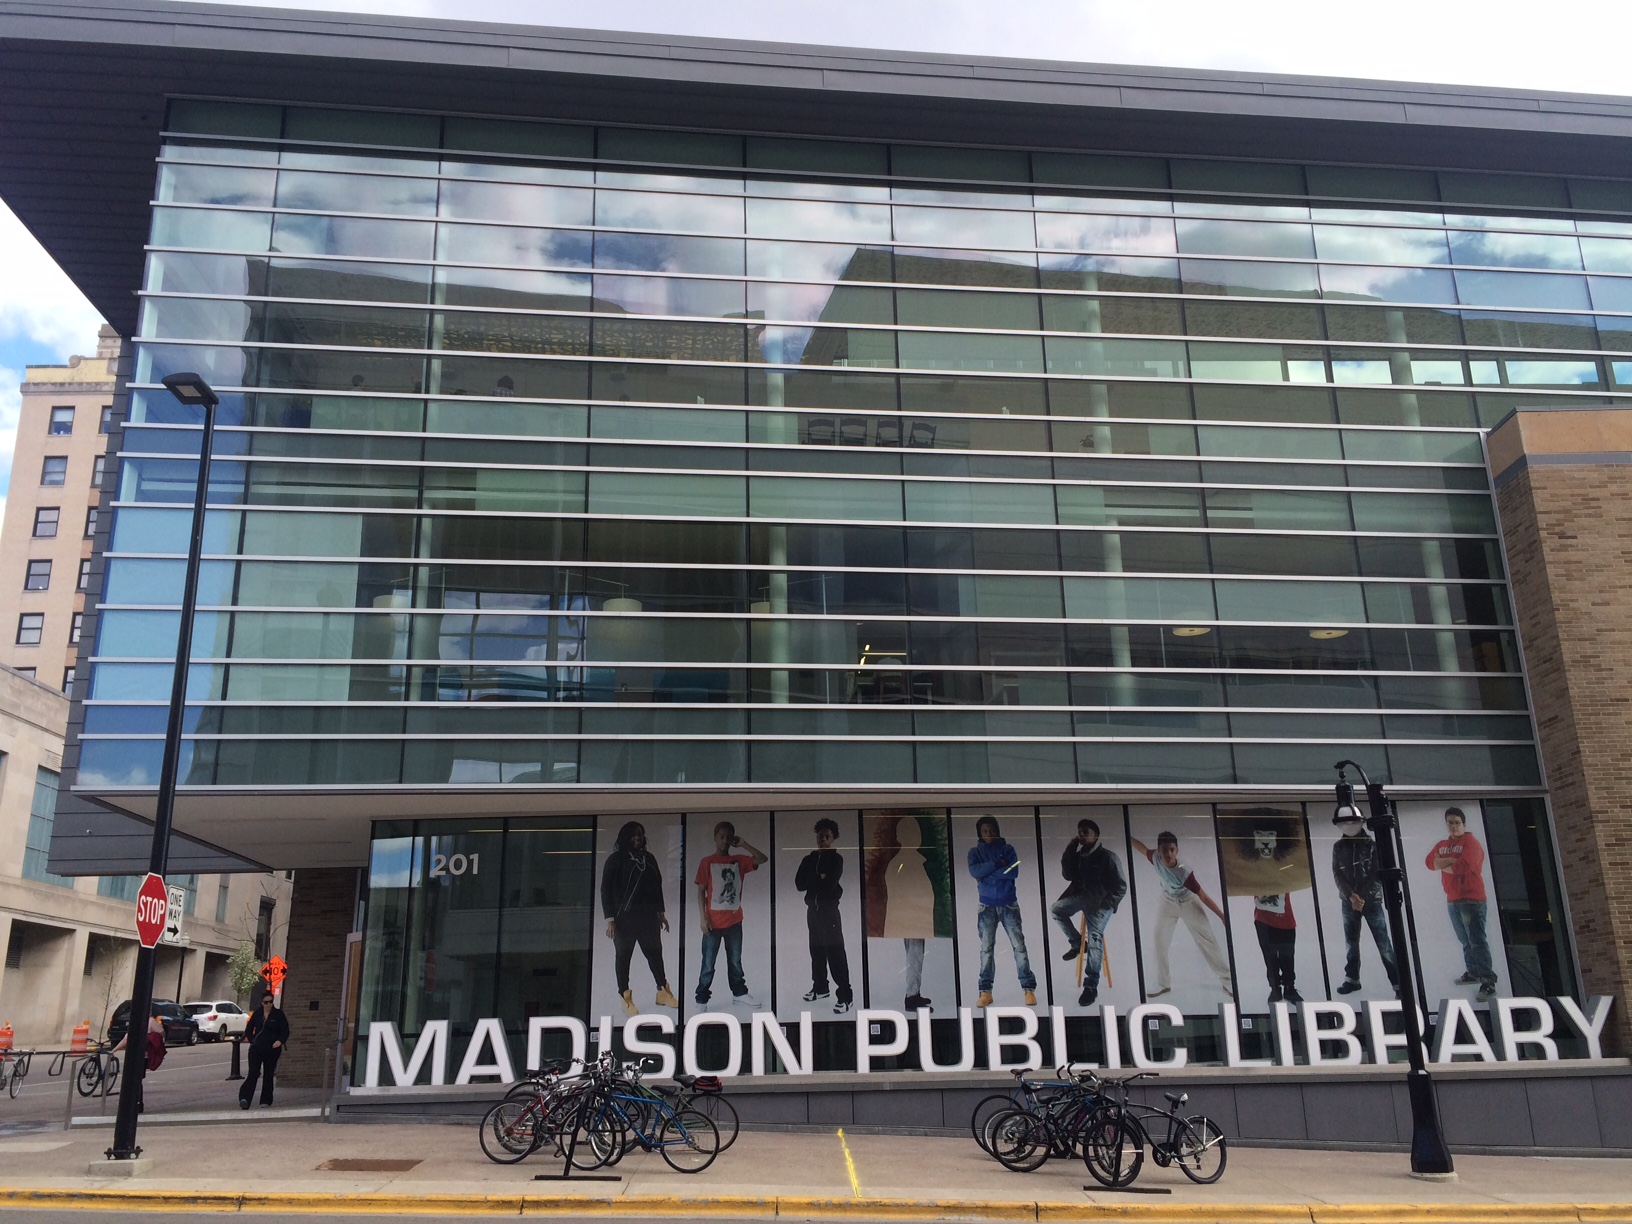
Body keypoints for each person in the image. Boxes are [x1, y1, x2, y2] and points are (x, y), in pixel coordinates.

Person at [1131, 833, 1233, 999]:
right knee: (1159, 939)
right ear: (1159, 850)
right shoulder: (1154, 857)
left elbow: (1204, 896)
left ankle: (1227, 980)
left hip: (1188, 902)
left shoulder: (1184, 872)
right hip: (1167, 901)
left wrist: (1222, 916)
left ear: (1177, 851)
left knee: (1207, 940)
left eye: (1172, 850)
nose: (1168, 854)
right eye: (1165, 850)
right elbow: (1140, 846)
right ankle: (1163, 983)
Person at [601, 820, 678, 1017]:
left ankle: (662, 990)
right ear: (625, 837)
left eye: (640, 834)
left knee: (655, 954)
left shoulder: (649, 858)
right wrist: (610, 919)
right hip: (623, 919)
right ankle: (624, 996)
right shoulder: (615, 860)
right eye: (633, 835)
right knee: (624, 956)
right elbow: (606, 890)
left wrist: (661, 914)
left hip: (648, 917)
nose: (637, 838)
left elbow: (657, 887)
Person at [1051, 818, 1127, 1007]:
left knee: (1095, 938)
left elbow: (1121, 886)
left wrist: (1107, 904)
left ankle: (1091, 986)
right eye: (1079, 831)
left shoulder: (1108, 856)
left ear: (1096, 834)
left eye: (1085, 831)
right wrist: (1070, 850)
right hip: (1081, 897)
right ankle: (1077, 943)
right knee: (1056, 910)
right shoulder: (1078, 856)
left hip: (1100, 903)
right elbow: (1067, 875)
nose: (1082, 834)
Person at [1426, 806, 1497, 1003]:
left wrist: (1444, 863)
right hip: (1453, 900)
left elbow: (1463, 867)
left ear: (1464, 824)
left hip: (1471, 899)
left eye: (1457, 823)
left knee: (1476, 940)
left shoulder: (1471, 843)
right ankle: (1473, 972)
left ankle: (1488, 982)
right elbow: (1429, 862)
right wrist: (1450, 862)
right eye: (1450, 823)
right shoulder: (1442, 844)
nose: (1454, 826)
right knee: (1465, 940)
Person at [694, 821, 767, 1008]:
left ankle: (739, 993)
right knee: (708, 964)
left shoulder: (739, 861)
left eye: (728, 837)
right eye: (721, 837)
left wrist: (743, 843)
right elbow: (700, 891)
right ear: (715, 838)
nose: (725, 841)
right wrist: (703, 917)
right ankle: (701, 999)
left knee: (735, 961)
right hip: (713, 923)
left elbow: (762, 858)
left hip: (734, 921)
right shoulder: (707, 862)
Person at [966, 817, 1038, 1008]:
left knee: (1019, 947)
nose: (989, 834)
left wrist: (987, 872)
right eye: (985, 831)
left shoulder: (1008, 849)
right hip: (986, 907)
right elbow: (974, 871)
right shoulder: (975, 852)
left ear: (997, 830)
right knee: (986, 950)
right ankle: (985, 992)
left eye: (991, 830)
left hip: (1008, 905)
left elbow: (1013, 872)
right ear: (980, 834)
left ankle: (1028, 989)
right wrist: (998, 864)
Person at [1331, 811, 1399, 995]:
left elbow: (1377, 874)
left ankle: (1398, 983)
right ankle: (1352, 979)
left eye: (1353, 821)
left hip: (1371, 901)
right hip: (1349, 901)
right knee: (1351, 943)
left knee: (1383, 943)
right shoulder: (1338, 847)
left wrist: (1360, 897)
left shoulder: (1372, 846)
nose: (1349, 826)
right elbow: (1337, 874)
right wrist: (1351, 896)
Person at [795, 818, 853, 1014]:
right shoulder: (808, 859)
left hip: (829, 911)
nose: (823, 839)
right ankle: (820, 987)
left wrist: (816, 879)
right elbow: (799, 884)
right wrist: (819, 877)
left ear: (833, 838)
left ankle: (845, 996)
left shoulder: (836, 860)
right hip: (812, 910)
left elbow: (829, 885)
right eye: (820, 835)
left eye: (827, 836)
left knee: (835, 952)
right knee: (816, 951)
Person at [882, 816, 937, 1012]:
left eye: (916, 833)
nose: (916, 838)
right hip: (911, 918)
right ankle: (912, 996)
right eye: (911, 834)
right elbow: (898, 890)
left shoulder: (910, 860)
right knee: (914, 955)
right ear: (901, 837)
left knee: (916, 955)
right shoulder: (903, 862)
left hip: (916, 918)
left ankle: (914, 992)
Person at [239, 993, 289, 1109]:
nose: (268, 1004)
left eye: (270, 1002)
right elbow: (249, 1029)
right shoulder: (257, 1014)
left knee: (268, 1074)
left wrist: (280, 1041)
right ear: (261, 1003)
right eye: (266, 1002)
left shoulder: (278, 1015)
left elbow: (285, 1030)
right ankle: (245, 1098)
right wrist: (252, 1040)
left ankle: (265, 1100)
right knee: (253, 1073)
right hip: (257, 1048)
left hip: (272, 1049)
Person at [111, 1012, 165, 1114]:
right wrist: (114, 1050)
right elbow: (126, 1039)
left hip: (142, 1056)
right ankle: (136, 1104)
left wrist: (150, 1038)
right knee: (134, 1080)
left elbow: (161, 1033)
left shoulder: (150, 1021)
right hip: (135, 1056)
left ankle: (136, 1104)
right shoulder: (139, 1022)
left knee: (135, 1080)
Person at [1253, 892, 1301, 1004]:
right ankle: (1275, 988)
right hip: (1263, 920)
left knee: (1287, 956)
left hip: (1285, 919)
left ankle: (1289, 988)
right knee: (1270, 957)